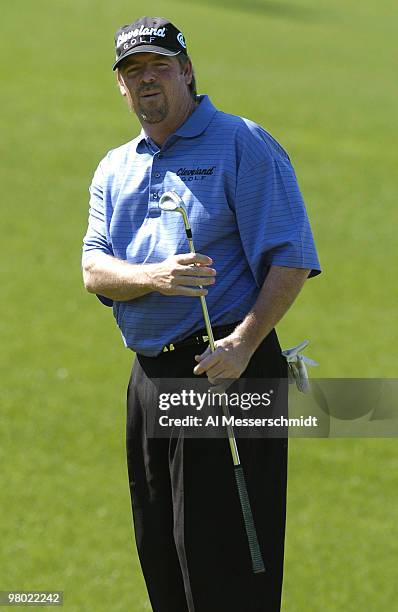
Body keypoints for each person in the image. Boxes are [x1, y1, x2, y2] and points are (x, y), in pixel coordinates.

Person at [82, 16, 321, 612]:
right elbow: (94, 270)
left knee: (228, 575)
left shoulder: (243, 142)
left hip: (225, 370)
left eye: (159, 66)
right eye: (132, 72)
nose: (146, 81)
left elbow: (291, 257)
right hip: (148, 379)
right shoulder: (116, 167)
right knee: (164, 561)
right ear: (121, 87)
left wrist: (243, 344)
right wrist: (155, 277)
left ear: (187, 71)